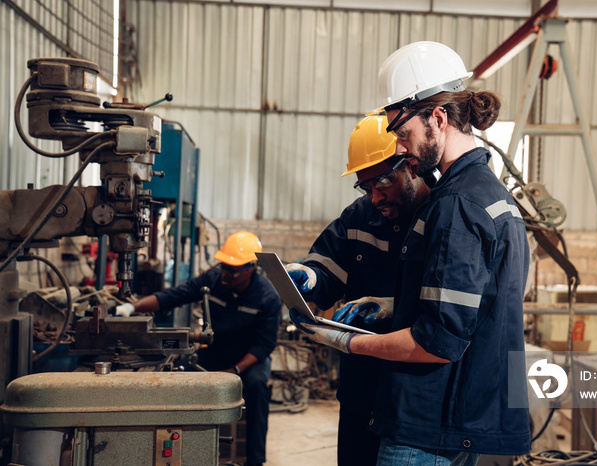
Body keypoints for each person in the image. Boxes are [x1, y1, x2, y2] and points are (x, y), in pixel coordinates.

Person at [290, 41, 531, 465]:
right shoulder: (487, 197)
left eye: (403, 133)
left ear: (438, 118)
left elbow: (438, 340)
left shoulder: (457, 204)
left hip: (428, 419)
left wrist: (348, 342)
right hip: (437, 415)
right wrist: (314, 280)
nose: (402, 148)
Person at [285, 114, 430, 466]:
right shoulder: (361, 216)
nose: (376, 196)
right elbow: (329, 266)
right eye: (366, 187)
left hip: (413, 395)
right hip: (360, 388)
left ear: (410, 164)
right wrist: (310, 277)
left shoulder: (442, 215)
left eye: (384, 182)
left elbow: (448, 308)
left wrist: (395, 306)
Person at [123, 231, 281, 466]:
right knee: (178, 376)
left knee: (257, 388)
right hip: (216, 352)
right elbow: (175, 296)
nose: (225, 273)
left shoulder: (268, 298)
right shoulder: (215, 279)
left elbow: (265, 345)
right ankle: (180, 451)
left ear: (250, 268)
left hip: (249, 359)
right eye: (223, 266)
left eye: (232, 269)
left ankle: (255, 460)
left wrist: (235, 371)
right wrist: (130, 308)